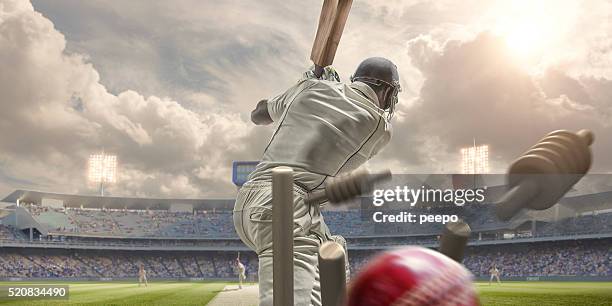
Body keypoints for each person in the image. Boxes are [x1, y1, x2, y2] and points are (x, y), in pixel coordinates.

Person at [234, 57, 400, 306]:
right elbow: (338, 121)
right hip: (286, 207)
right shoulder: (379, 127)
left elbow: (258, 114)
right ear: (387, 90)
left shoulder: (309, 89)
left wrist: (303, 84)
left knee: (334, 252)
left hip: (247, 205)